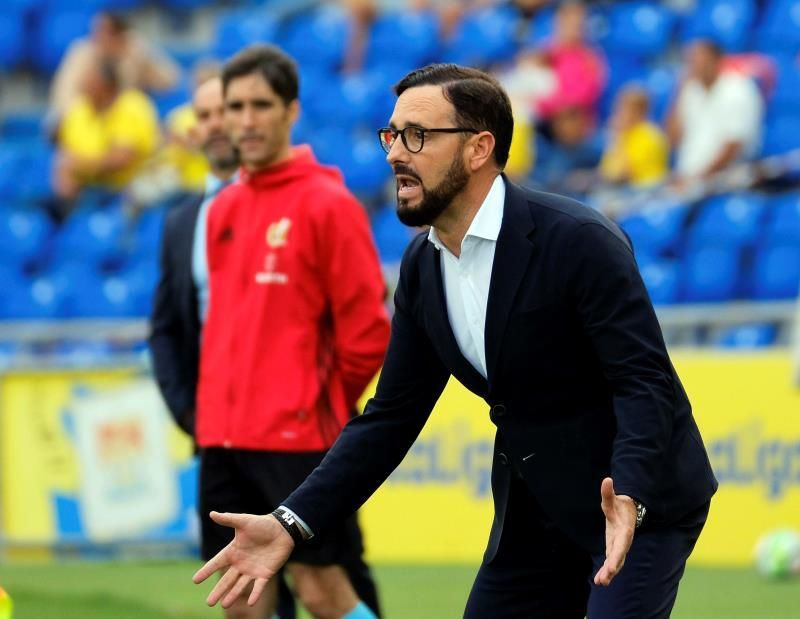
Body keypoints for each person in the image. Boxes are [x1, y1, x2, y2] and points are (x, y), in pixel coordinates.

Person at [193, 63, 719, 618]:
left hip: (637, 507)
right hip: (535, 509)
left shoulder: (580, 241)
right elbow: (389, 418)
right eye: (391, 135)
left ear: (478, 149)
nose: (396, 153)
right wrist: (289, 524)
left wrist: (631, 494)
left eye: (417, 135)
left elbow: (644, 383)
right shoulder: (422, 266)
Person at [149, 67, 383, 619]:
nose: (246, 121)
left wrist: (310, 400)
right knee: (241, 599)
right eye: (236, 107)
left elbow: (369, 334)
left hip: (297, 438)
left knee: (324, 590)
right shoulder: (221, 210)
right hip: (224, 441)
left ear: (291, 110)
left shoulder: (329, 203)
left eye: (261, 105)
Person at [53, 56, 160, 203]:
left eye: (89, 79)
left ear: (105, 85)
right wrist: (65, 176)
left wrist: (80, 164)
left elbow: (122, 159)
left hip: (128, 191)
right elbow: (65, 156)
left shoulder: (133, 105)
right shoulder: (79, 110)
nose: (83, 83)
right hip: (86, 190)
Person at [48, 11, 179, 129]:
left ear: (118, 35)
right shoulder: (81, 53)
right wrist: (84, 121)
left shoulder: (133, 52)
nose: (97, 37)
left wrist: (140, 52)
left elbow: (169, 81)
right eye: (95, 31)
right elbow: (64, 95)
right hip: (87, 121)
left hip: (126, 121)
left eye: (103, 31)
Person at [667, 39, 763, 184]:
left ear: (717, 60)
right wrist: (678, 92)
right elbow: (672, 140)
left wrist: (697, 180)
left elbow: (733, 145)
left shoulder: (738, 89)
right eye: (690, 61)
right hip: (687, 179)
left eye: (699, 59)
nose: (694, 66)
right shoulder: (690, 90)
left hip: (725, 180)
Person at [599, 85, 669, 188]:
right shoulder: (625, 134)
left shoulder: (650, 135)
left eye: (623, 109)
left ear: (640, 112)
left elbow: (625, 174)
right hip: (625, 189)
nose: (618, 114)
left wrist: (617, 138)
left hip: (647, 190)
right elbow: (607, 171)